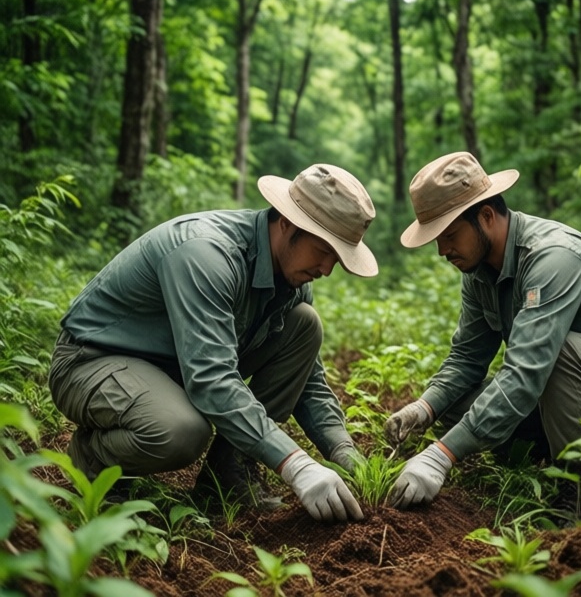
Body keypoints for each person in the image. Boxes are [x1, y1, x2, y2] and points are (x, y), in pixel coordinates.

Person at [47, 164, 376, 521]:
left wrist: (344, 452)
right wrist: (295, 464)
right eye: (324, 250)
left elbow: (308, 378)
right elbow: (211, 378)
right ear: (287, 223)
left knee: (304, 325)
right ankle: (94, 458)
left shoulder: (292, 277)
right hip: (92, 361)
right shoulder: (208, 254)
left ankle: (228, 474)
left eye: (338, 259)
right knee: (182, 430)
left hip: (172, 369)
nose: (327, 269)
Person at [383, 152, 581, 509]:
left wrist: (441, 455)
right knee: (452, 408)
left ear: (486, 216)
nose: (441, 250)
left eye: (449, 235)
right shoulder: (478, 270)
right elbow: (468, 357)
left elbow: (526, 371)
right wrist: (423, 409)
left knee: (560, 352)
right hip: (566, 387)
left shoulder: (554, 256)